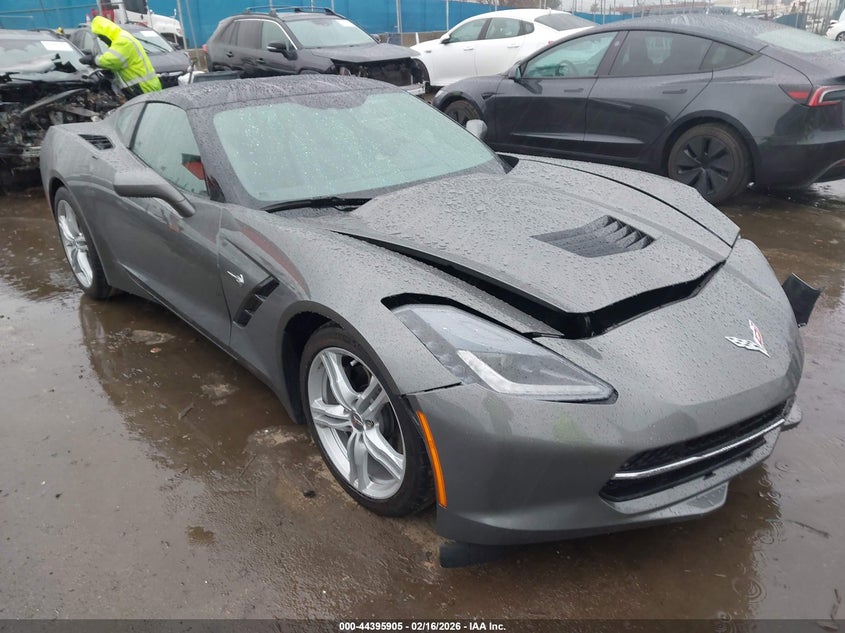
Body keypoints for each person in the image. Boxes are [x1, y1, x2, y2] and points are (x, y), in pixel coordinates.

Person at [79, 16, 161, 98]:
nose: (102, 40)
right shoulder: (121, 37)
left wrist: (93, 60)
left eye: (101, 37)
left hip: (143, 87)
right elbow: (121, 63)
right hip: (144, 86)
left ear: (105, 33)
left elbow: (111, 60)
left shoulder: (122, 41)